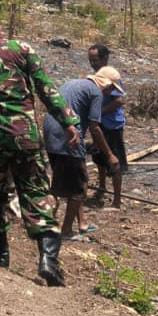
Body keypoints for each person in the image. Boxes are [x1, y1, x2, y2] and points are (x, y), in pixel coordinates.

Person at [0, 9, 80, 287]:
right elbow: (46, 89)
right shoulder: (21, 49)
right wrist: (68, 123)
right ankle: (48, 261)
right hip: (25, 136)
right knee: (36, 192)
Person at [44, 67, 121, 240]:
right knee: (79, 186)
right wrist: (109, 155)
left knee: (68, 181)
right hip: (68, 135)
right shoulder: (95, 93)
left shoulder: (73, 83)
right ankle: (66, 231)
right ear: (107, 84)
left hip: (50, 132)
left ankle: (81, 222)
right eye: (111, 88)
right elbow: (94, 127)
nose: (110, 92)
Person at [88, 44, 127, 208]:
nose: (92, 63)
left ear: (105, 59)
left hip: (112, 126)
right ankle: (102, 187)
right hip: (101, 125)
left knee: (114, 160)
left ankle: (117, 201)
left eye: (95, 60)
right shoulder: (97, 77)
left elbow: (119, 100)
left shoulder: (111, 77)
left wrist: (100, 112)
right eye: (90, 60)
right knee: (99, 157)